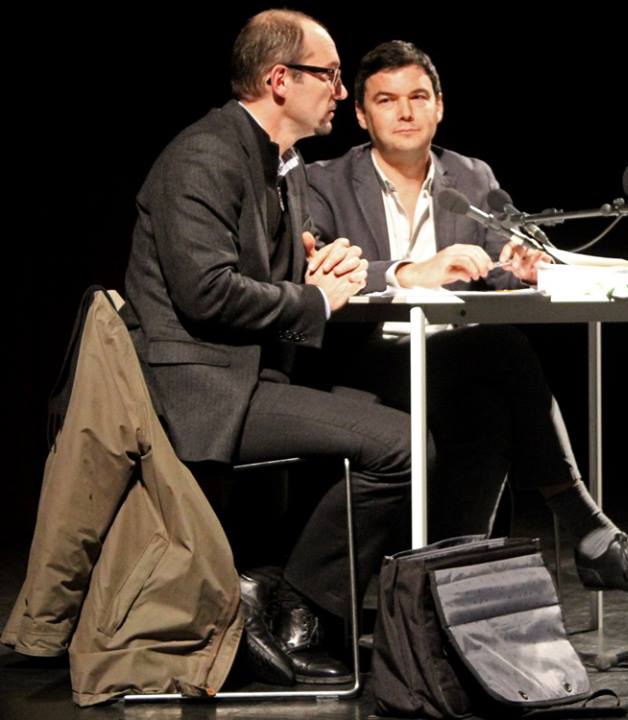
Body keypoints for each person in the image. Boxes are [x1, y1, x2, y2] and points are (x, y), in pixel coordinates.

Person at [306, 41, 628, 599]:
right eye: (387, 100)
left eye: (419, 97)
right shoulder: (324, 181)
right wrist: (409, 272)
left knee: (488, 401)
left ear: (439, 106)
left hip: (455, 366)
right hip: (367, 362)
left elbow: (503, 260)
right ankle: (586, 531)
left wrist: (526, 266)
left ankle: (443, 593)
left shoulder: (471, 176)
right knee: (500, 351)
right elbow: (312, 267)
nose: (406, 112)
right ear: (362, 114)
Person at [121, 10, 413, 685]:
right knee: (399, 445)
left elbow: (269, 274)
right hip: (197, 389)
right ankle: (294, 603)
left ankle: (277, 587)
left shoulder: (285, 163)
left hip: (250, 376)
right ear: (279, 79)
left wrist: (321, 270)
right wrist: (313, 301)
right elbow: (209, 295)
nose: (342, 92)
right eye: (332, 76)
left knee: (378, 405)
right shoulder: (204, 155)